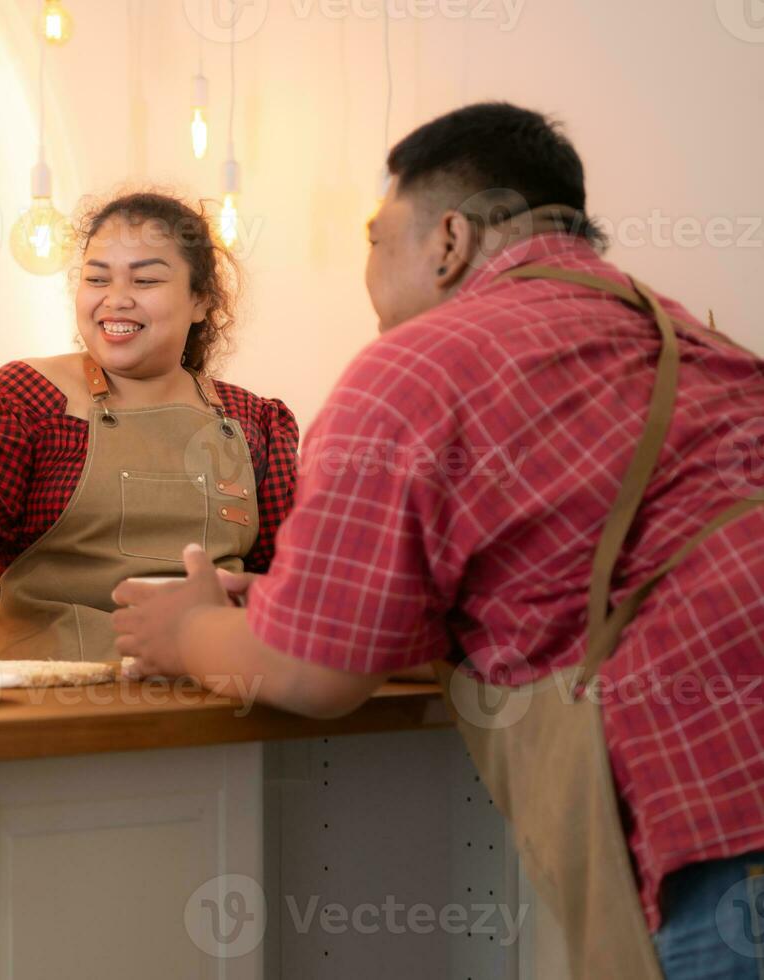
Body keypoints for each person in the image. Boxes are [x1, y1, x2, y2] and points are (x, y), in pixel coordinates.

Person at [113, 103, 764, 977]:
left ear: (449, 238)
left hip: (718, 823)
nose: (369, 272)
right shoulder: (692, 341)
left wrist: (185, 630)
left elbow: (316, 674)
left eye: (377, 240)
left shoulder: (416, 368)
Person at [0, 191, 299, 661]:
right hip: (50, 701)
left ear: (201, 301)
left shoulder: (252, 421)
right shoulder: (25, 398)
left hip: (209, 690)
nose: (116, 299)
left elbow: (283, 581)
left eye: (145, 280)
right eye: (97, 278)